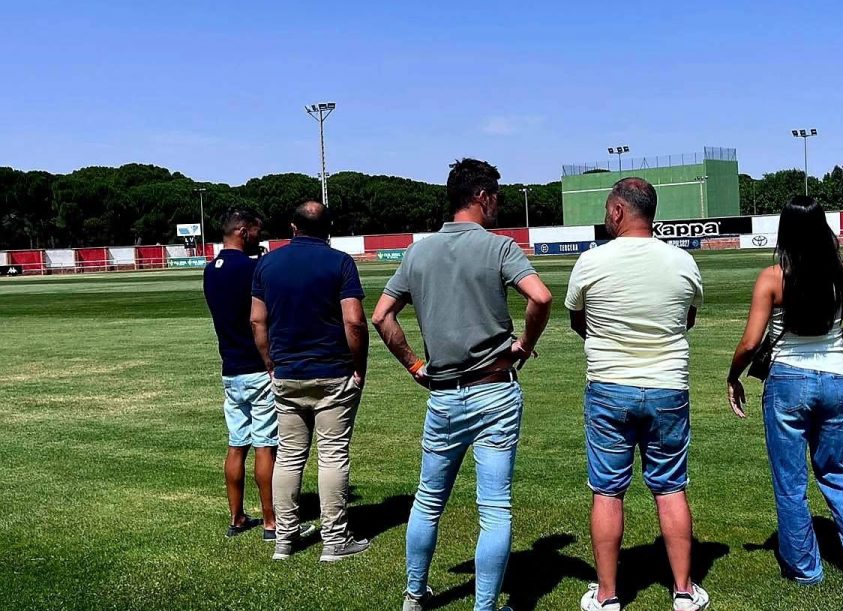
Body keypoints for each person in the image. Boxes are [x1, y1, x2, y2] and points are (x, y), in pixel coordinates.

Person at [371, 158, 552, 611]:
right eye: (497, 197)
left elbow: (381, 315)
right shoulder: (499, 248)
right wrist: (525, 346)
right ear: (483, 197)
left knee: (429, 501)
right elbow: (541, 297)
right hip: (495, 390)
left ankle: (415, 595)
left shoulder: (417, 252)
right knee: (495, 508)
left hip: (444, 396)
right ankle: (485, 606)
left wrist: (414, 364)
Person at [725, 195, 843, 587]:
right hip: (835, 379)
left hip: (787, 382)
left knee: (791, 480)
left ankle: (805, 567)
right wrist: (833, 335)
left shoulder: (772, 277)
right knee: (841, 471)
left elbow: (750, 342)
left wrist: (733, 376)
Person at [565, 178, 710, 611]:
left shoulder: (591, 262)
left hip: (609, 386)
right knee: (670, 489)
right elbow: (687, 319)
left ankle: (608, 594)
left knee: (608, 492)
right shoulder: (682, 261)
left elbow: (578, 322)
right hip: (667, 386)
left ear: (617, 212)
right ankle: (683, 590)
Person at [251, 201, 370, 563]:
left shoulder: (268, 263)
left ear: (293, 226)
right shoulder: (340, 262)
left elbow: (257, 321)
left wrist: (270, 362)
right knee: (332, 455)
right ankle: (335, 540)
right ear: (328, 228)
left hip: (287, 374)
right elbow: (354, 321)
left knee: (289, 456)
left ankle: (284, 539)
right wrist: (358, 365)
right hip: (333, 371)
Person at [203, 207, 277, 540]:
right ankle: (272, 521)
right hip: (257, 368)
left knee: (236, 445)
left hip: (230, 369)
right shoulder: (253, 269)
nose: (259, 238)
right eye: (257, 232)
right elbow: (261, 316)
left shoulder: (210, 270)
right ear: (244, 231)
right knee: (265, 445)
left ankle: (236, 518)